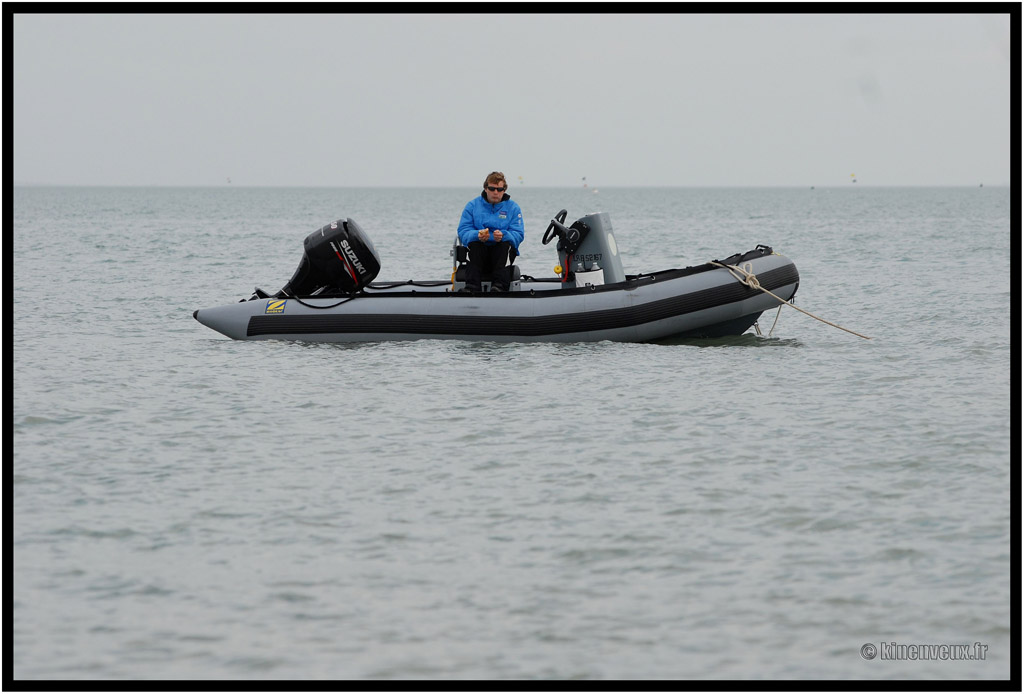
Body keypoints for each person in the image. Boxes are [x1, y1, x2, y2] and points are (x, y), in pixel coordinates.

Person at [456, 171, 525, 292]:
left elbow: (518, 234)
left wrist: (504, 235)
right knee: (474, 245)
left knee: (505, 245)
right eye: (492, 188)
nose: (495, 192)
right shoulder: (472, 206)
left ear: (504, 190)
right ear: (485, 188)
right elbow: (463, 231)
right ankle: (472, 288)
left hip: (501, 252)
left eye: (499, 189)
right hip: (479, 252)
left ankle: (499, 287)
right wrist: (477, 235)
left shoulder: (513, 208)